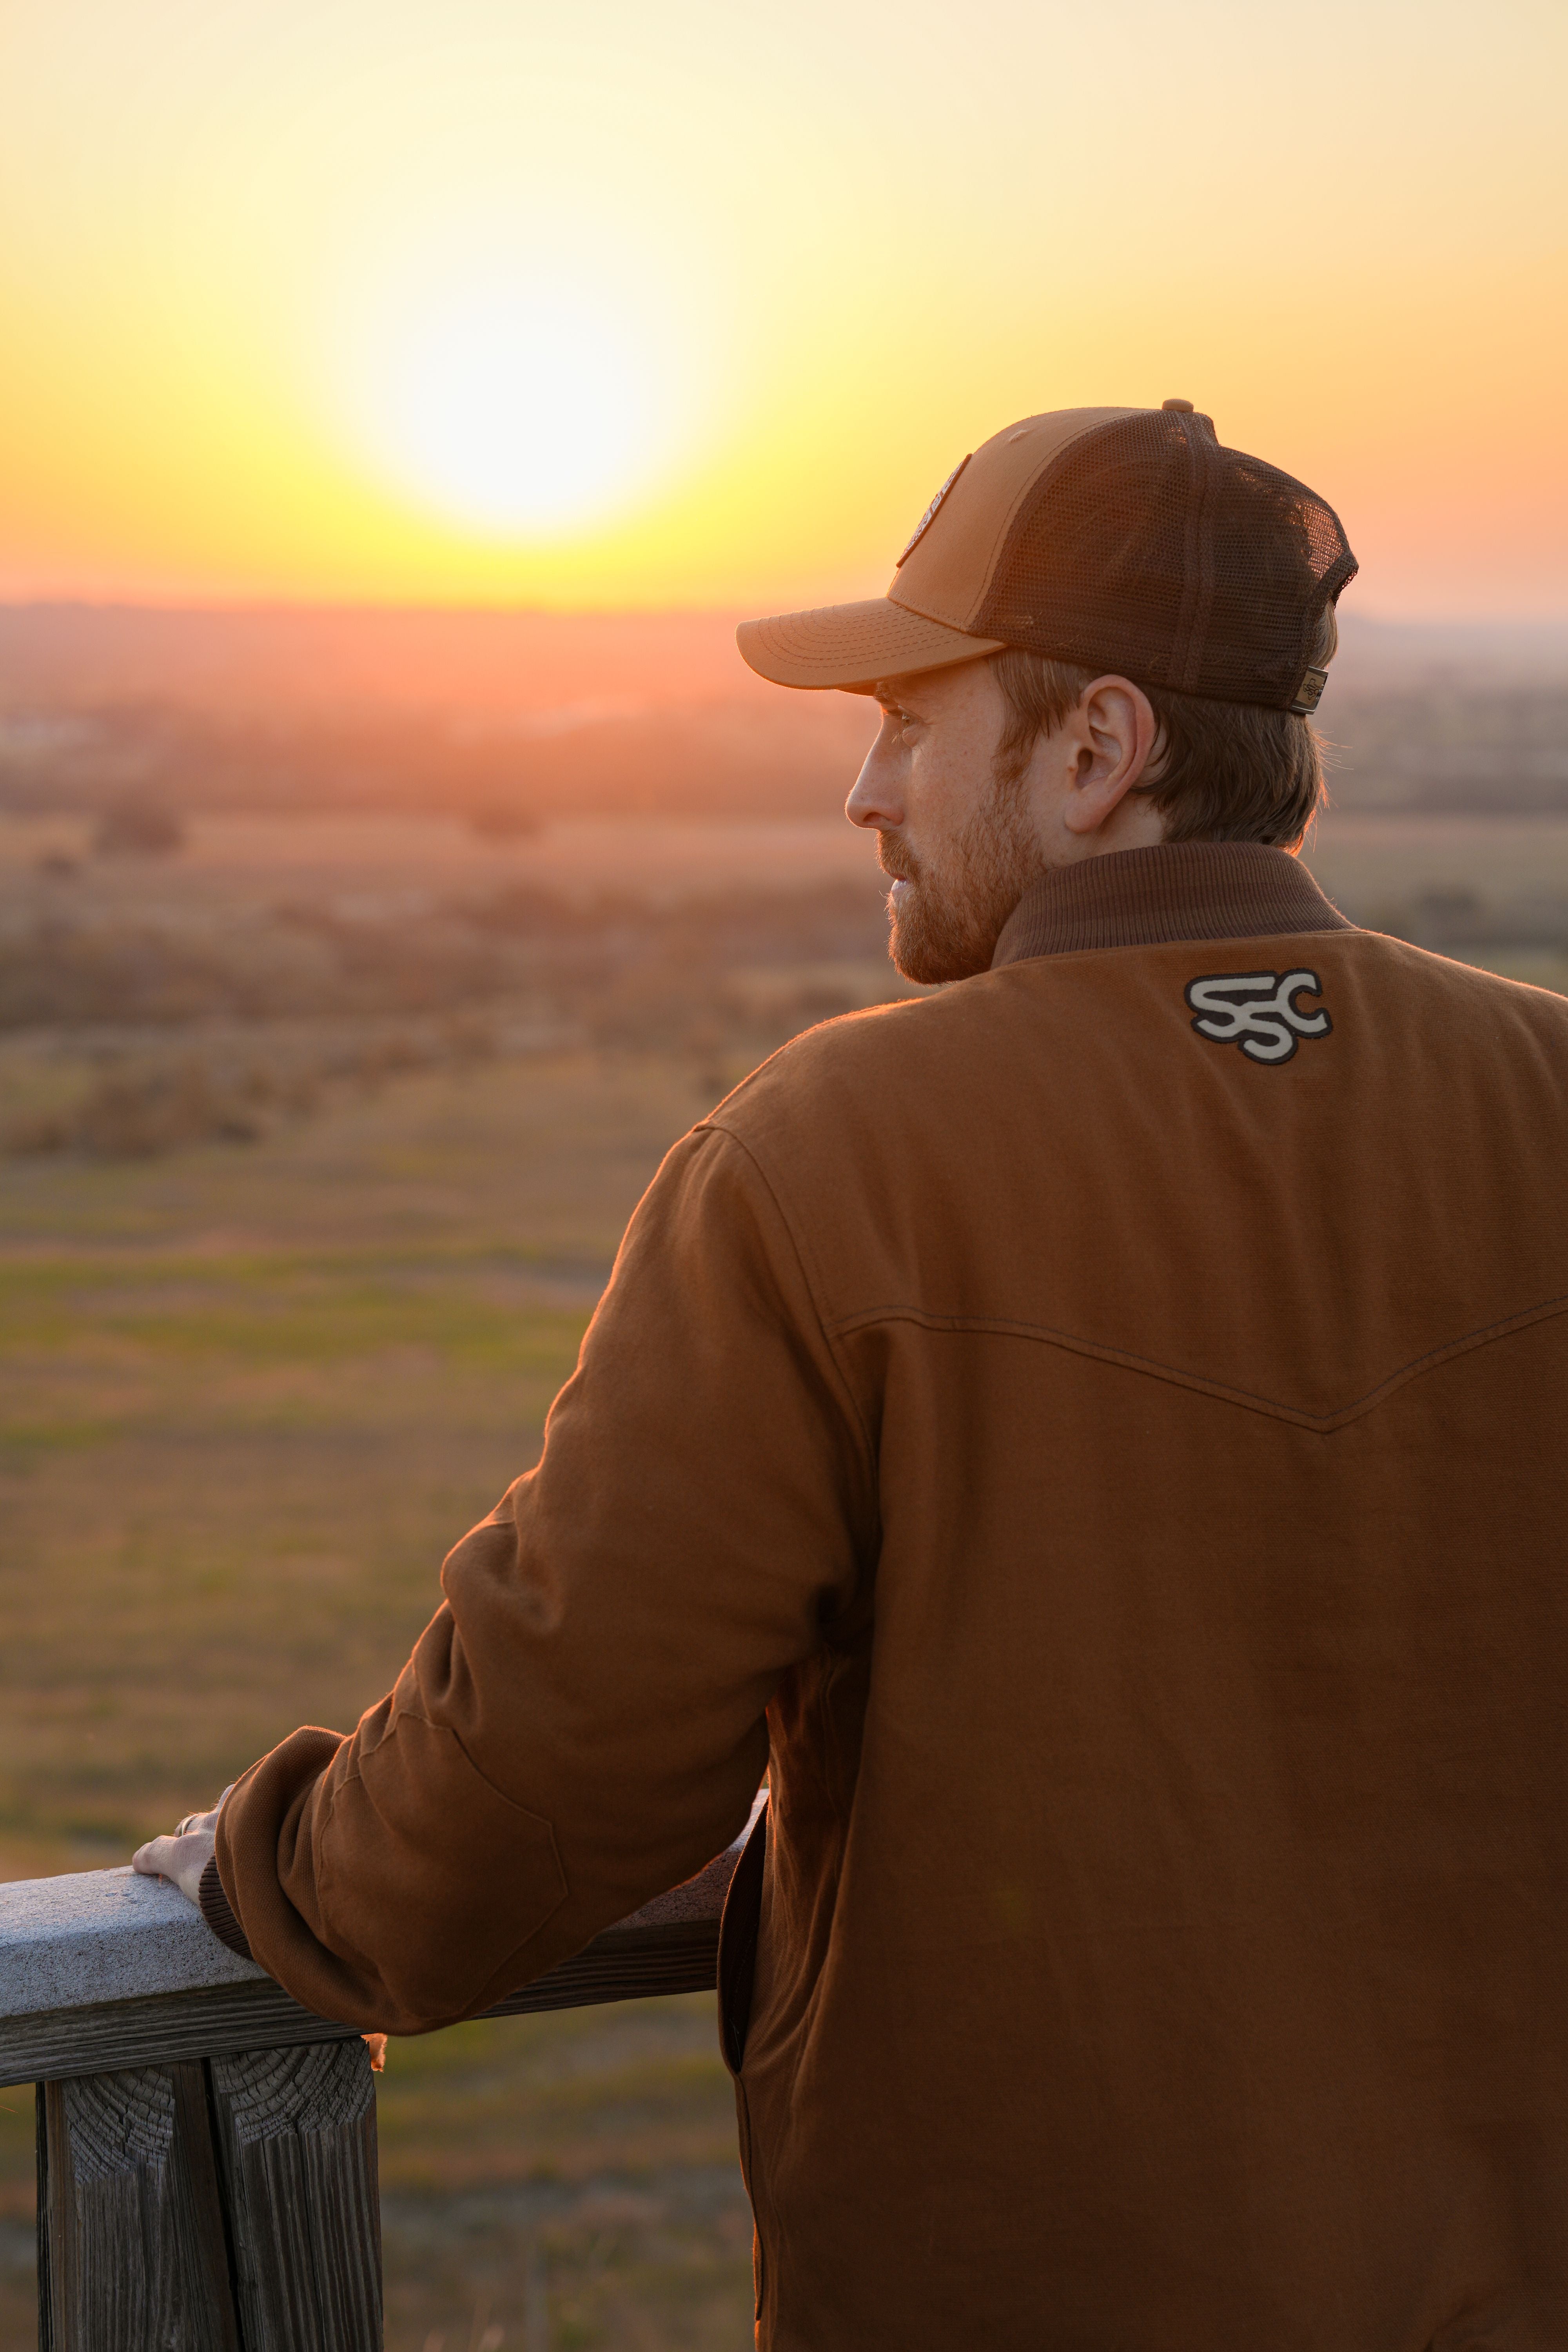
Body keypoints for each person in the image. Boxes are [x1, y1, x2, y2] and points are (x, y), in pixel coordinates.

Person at [136, 403, 1568, 2349]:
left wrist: (269, 1871)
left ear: (1096, 750)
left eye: (909, 719)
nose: (864, 795)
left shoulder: (834, 1158)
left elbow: (559, 1760)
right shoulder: (1545, 1094)